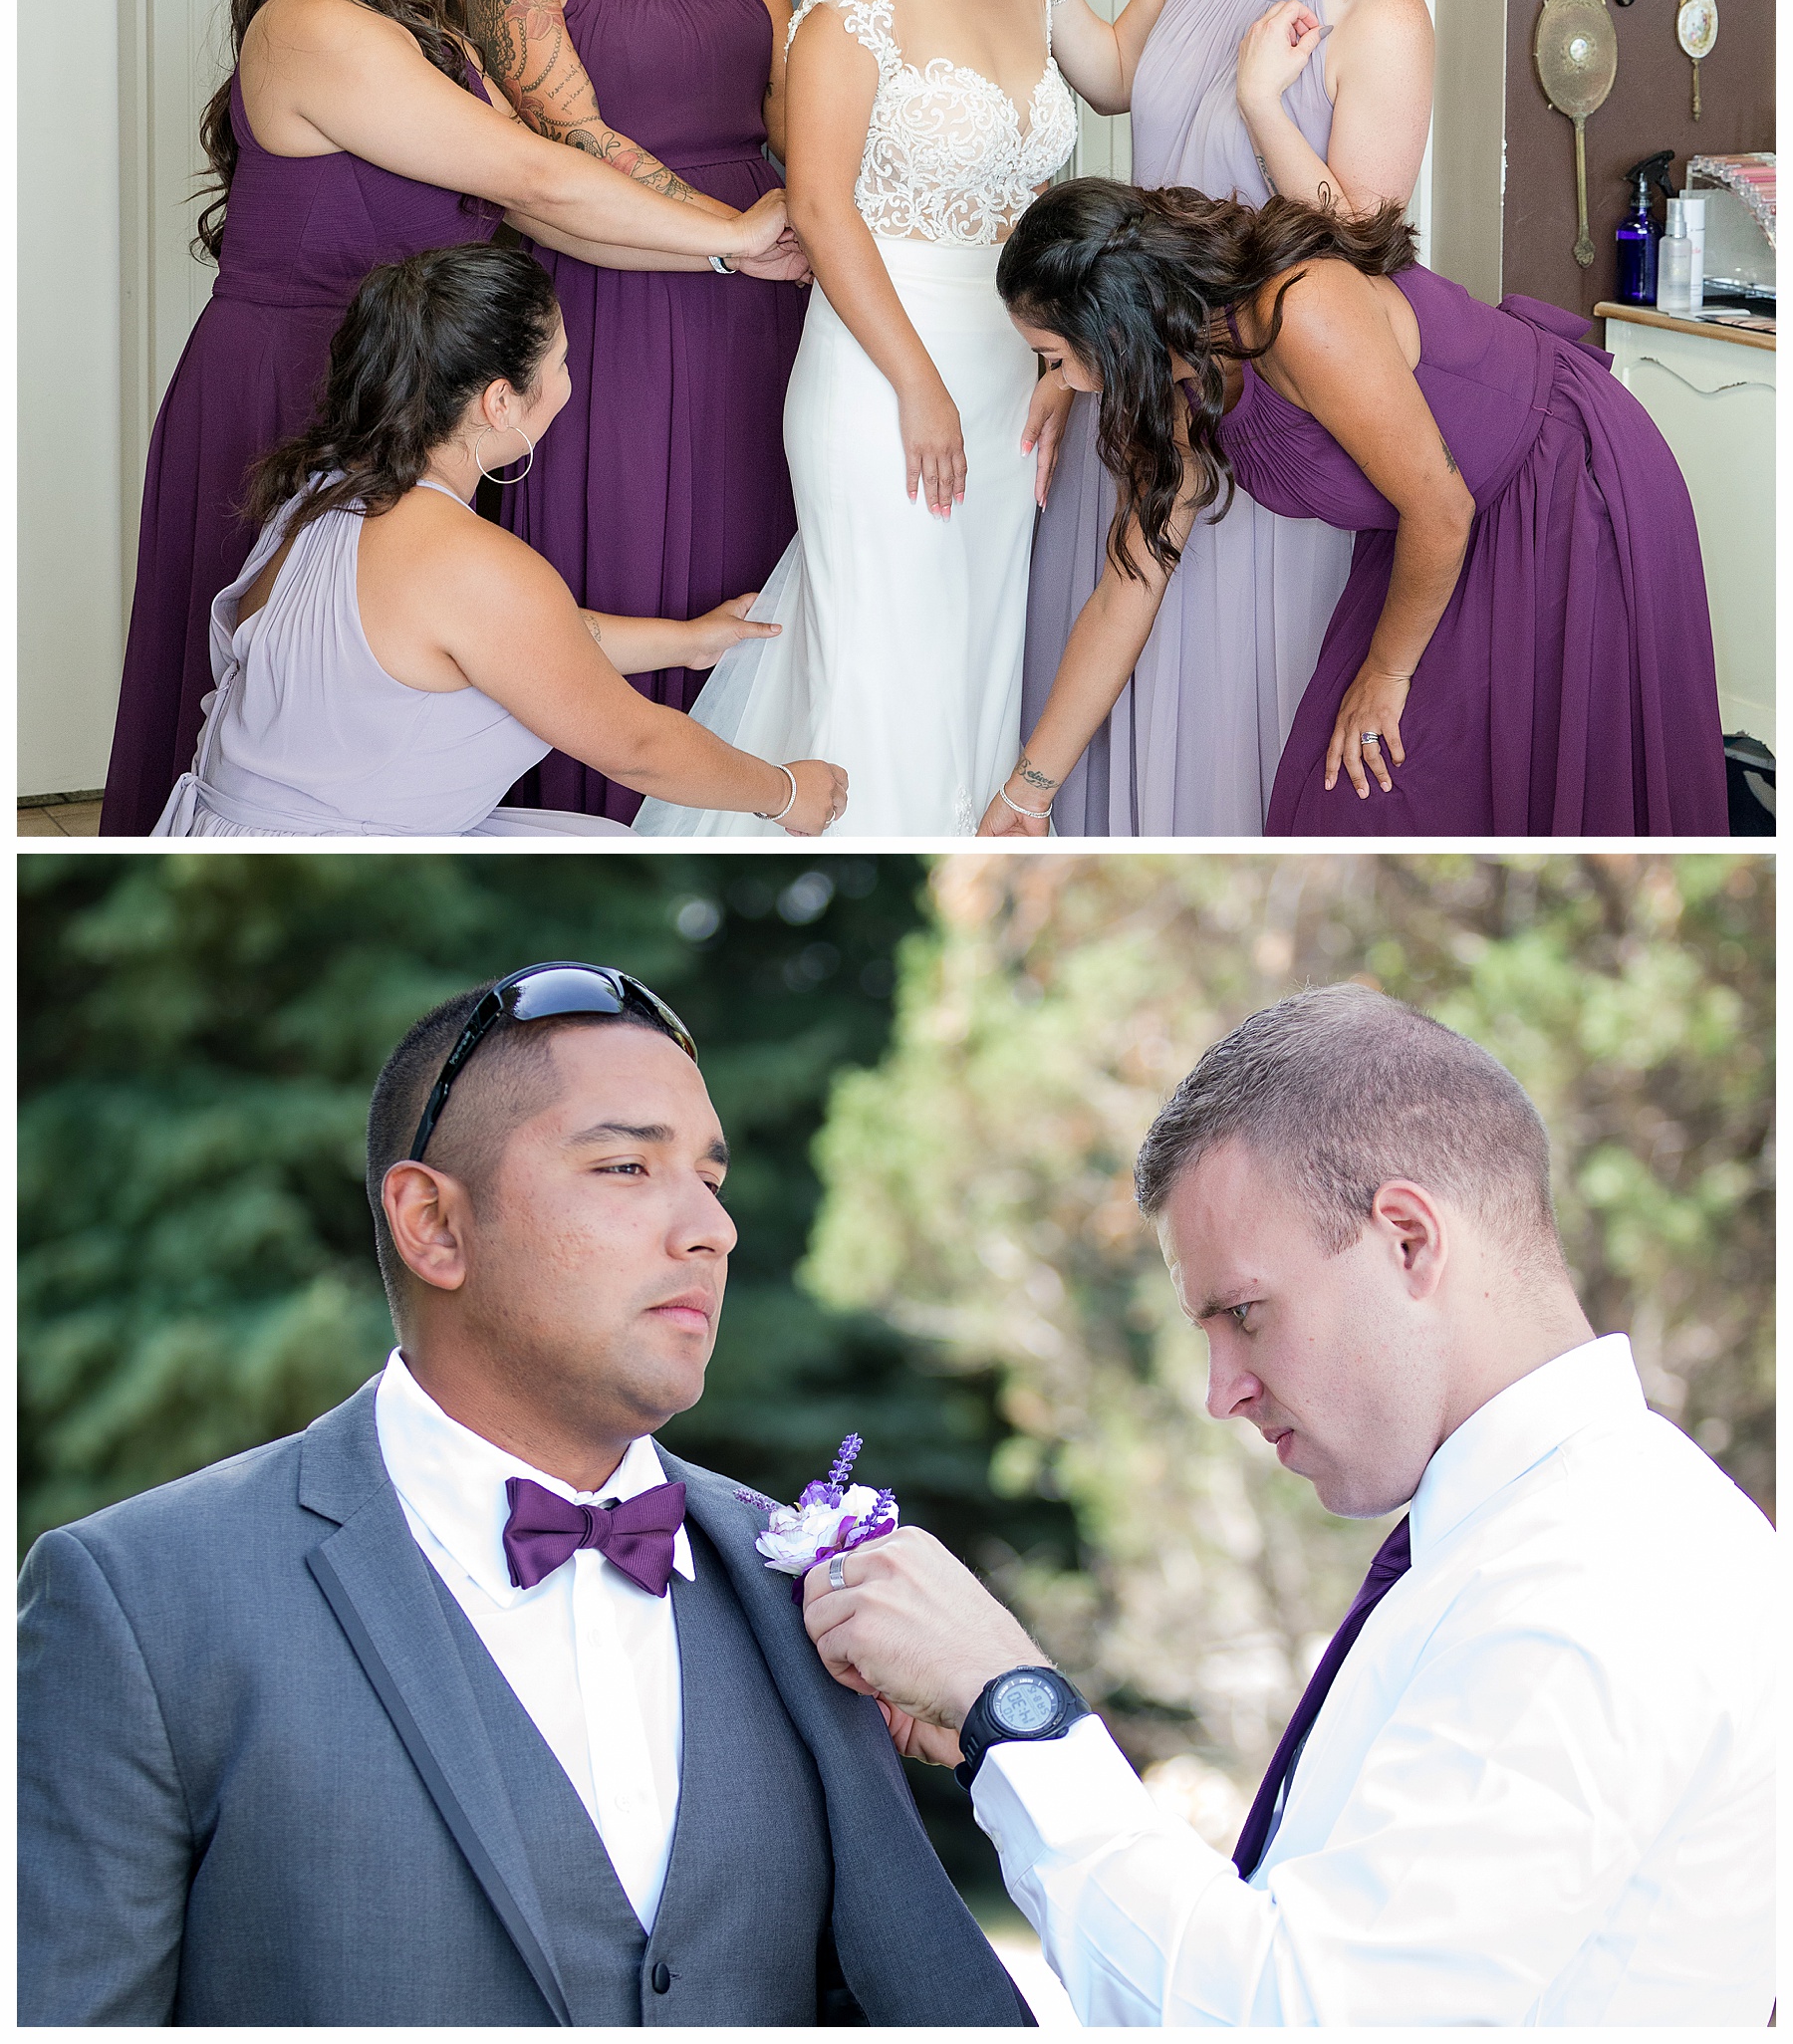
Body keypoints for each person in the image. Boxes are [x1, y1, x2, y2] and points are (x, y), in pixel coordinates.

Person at [18, 962, 1034, 2027]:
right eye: (627, 1167)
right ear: (434, 1226)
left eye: (711, 1180)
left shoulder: (806, 1590)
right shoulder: (141, 1600)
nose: (710, 1229)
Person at [798, 986, 1776, 2026]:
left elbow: (1298, 2016)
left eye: (1246, 1315)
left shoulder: (1593, 1574)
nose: (1221, 1392)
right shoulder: (1542, 1539)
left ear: (1407, 1240)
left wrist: (1013, 1703)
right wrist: (996, 1745)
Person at [101, 0, 790, 838]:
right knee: (271, 710)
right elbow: (531, 171)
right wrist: (736, 233)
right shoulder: (315, 23)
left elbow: (542, 211)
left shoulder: (429, 29)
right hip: (291, 387)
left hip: (402, 387)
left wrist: (731, 250)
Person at [986, 0, 1434, 834]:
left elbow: (1356, 251)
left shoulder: (1380, 18)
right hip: (1137, 370)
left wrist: (1261, 101)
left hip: (1256, 412)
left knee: (1213, 718)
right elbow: (1115, 77)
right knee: (1103, 638)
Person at [633, 0, 1079, 839]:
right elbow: (822, 208)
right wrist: (919, 386)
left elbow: (1038, 205)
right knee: (888, 675)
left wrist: (1057, 367)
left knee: (972, 670)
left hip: (1008, 377)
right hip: (884, 377)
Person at [978, 180, 1727, 837]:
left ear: (1111, 326)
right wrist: (1029, 793)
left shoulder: (1299, 310)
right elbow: (1125, 591)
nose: (1064, 384)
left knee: (1495, 785)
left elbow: (1442, 508)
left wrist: (1386, 673)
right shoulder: (1175, 390)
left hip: (1559, 491)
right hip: (1432, 531)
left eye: (1055, 358)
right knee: (1338, 797)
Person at [152, 245, 845, 837]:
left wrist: (690, 641)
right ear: (500, 402)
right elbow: (639, 748)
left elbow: (527, 645)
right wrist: (785, 793)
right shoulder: (470, 564)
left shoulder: (322, 497)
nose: (569, 385)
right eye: (561, 364)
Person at [467, 0, 812, 823]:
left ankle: (751, 798)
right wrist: (727, 237)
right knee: (616, 546)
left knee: (757, 542)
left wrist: (807, 217)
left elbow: (788, 106)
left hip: (772, 284)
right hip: (612, 287)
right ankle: (604, 822)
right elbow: (570, 138)